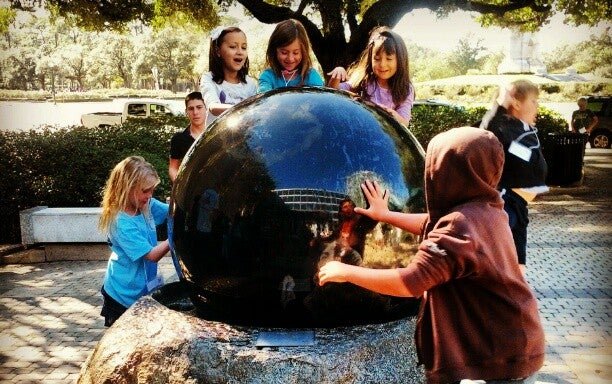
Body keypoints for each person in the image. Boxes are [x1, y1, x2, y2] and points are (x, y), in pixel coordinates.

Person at [318, 127, 545, 383]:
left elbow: (411, 282)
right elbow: (433, 223)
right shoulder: (487, 208)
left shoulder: (461, 225)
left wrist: (347, 272)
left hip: (499, 353)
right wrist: (387, 215)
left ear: (450, 174)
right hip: (513, 339)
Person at [480, 80, 548, 274]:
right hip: (506, 204)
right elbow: (488, 129)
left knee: (519, 266)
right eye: (534, 101)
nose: (538, 106)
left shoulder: (525, 129)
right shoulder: (505, 128)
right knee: (499, 258)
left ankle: (515, 295)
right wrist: (500, 104)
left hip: (520, 207)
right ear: (517, 104)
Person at [99, 156, 170, 327]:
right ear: (127, 188)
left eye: (152, 190)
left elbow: (172, 212)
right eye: (145, 190)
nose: (150, 195)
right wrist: (174, 238)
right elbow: (152, 256)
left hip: (143, 290)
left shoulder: (146, 204)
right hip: (122, 296)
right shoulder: (121, 222)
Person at [327, 28, 415, 125]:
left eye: (389, 59)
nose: (382, 64)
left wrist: (389, 114)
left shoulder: (406, 88)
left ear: (401, 60)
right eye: (377, 59)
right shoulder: (363, 80)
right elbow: (333, 93)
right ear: (370, 59)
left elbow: (404, 123)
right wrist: (337, 75)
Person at [200, 26, 257, 127]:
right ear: (218, 51)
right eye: (233, 47)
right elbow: (213, 107)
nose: (240, 52)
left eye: (243, 47)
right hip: (217, 141)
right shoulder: (208, 78)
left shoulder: (250, 83)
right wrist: (244, 110)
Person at [257, 19, 324, 93]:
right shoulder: (268, 77)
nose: (290, 59)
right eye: (284, 52)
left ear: (303, 52)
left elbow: (321, 99)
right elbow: (263, 95)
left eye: (296, 53)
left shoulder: (311, 76)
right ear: (274, 50)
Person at [168, 91, 206, 183]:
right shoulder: (179, 139)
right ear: (186, 112)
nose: (195, 112)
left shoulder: (216, 134)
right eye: (191, 109)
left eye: (199, 107)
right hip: (190, 188)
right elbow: (173, 168)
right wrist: (180, 186)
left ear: (206, 108)